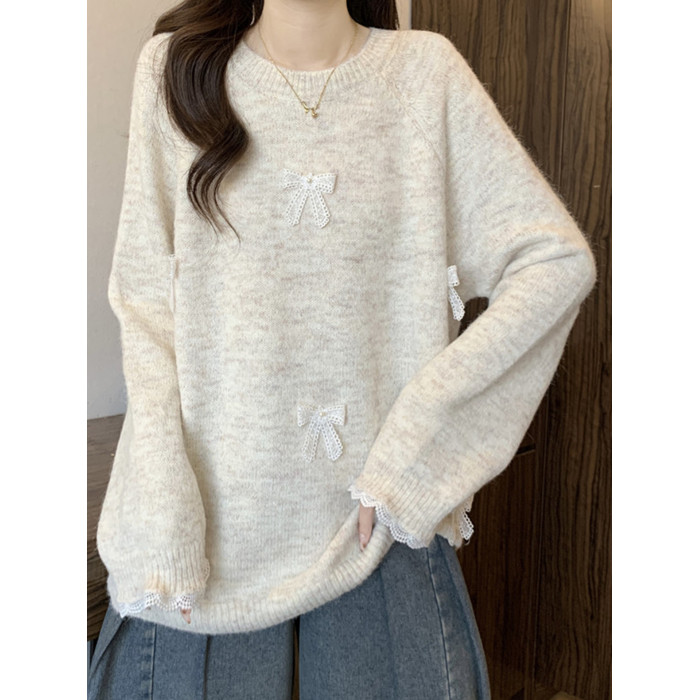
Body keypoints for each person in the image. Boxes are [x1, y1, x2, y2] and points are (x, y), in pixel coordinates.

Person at [87, 0, 597, 697]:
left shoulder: (425, 77)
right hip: (206, 537)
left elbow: (555, 262)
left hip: (375, 527)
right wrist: (162, 505)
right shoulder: (177, 72)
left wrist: (418, 449)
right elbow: (145, 304)